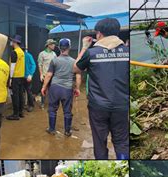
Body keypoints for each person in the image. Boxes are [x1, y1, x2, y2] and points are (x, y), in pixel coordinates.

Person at [74, 18, 130, 160]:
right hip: (121, 105)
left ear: (99, 34)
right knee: (122, 141)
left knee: (99, 141)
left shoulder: (91, 53)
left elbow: (75, 68)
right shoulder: (128, 52)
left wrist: (85, 47)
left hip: (98, 106)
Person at [41, 38, 82, 137]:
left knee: (52, 109)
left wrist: (44, 87)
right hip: (67, 89)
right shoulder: (74, 62)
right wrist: (77, 88)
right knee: (67, 111)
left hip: (55, 88)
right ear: (69, 47)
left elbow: (49, 75)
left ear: (59, 48)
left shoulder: (54, 61)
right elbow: (78, 76)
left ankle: (51, 129)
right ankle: (67, 131)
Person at [6, 35, 26, 121]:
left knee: (15, 96)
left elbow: (13, 66)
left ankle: (15, 114)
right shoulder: (21, 52)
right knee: (20, 95)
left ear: (15, 42)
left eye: (12, 41)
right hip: (21, 76)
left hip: (15, 77)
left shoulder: (14, 52)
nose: (11, 42)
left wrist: (10, 78)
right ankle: (21, 112)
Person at [38, 39, 58, 110]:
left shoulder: (54, 54)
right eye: (52, 44)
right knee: (43, 89)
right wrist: (41, 74)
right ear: (48, 45)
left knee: (52, 90)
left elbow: (56, 64)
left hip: (52, 75)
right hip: (45, 75)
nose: (54, 45)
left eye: (54, 44)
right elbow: (40, 65)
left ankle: (52, 104)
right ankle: (42, 103)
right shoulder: (42, 54)